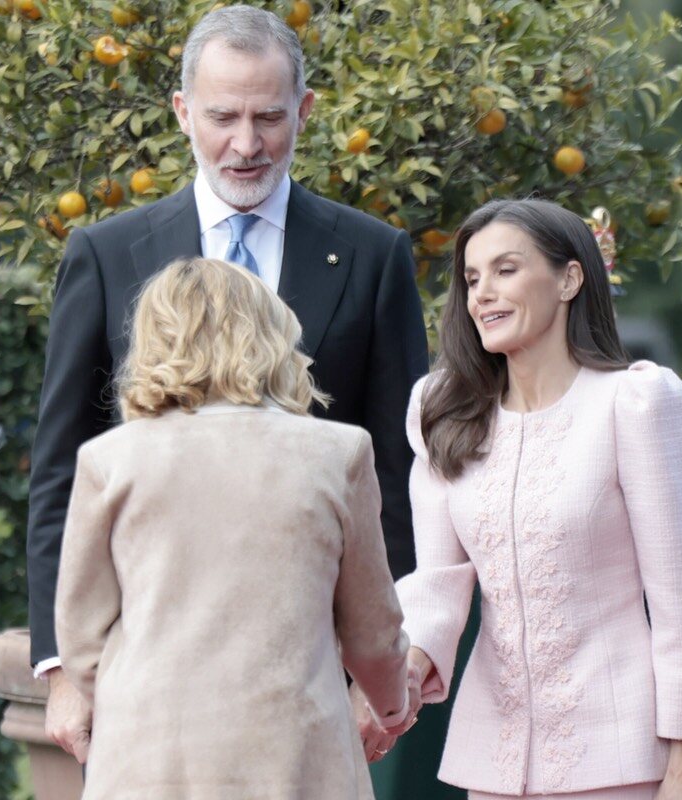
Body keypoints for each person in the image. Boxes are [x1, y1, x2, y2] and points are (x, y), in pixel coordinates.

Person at [27, 4, 428, 757]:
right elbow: (61, 470)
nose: (245, 145)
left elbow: (397, 478)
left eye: (269, 118)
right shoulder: (106, 254)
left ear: (304, 112)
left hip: (310, 677)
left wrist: (376, 673)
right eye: (222, 117)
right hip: (143, 674)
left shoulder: (373, 257)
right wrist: (62, 669)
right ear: (181, 112)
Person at [365, 199, 682, 798]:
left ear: (570, 278)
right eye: (472, 278)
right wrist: (408, 671)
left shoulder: (635, 404)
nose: (482, 294)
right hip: (492, 762)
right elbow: (439, 580)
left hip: (619, 757)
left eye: (506, 270)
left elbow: (680, 599)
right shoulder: (441, 412)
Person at [54, 256, 418, 798]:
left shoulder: (110, 460)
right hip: (295, 752)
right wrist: (390, 703)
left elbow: (81, 638)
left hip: (148, 755)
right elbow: (371, 629)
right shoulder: (337, 453)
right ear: (272, 337)